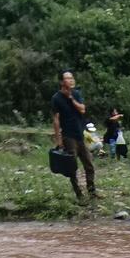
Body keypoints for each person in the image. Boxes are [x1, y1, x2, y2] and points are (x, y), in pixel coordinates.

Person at [51, 69, 96, 203]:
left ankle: (92, 191)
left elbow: (82, 109)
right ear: (61, 82)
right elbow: (56, 120)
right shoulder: (56, 98)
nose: (71, 80)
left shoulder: (76, 94)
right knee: (72, 167)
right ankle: (79, 194)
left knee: (89, 164)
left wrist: (71, 98)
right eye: (68, 78)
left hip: (80, 134)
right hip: (68, 136)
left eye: (72, 78)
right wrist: (59, 140)